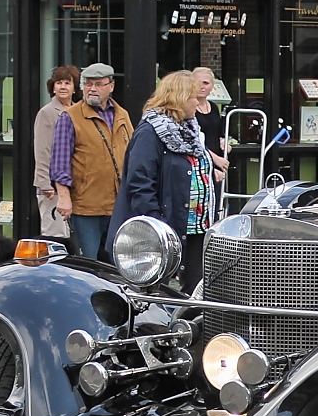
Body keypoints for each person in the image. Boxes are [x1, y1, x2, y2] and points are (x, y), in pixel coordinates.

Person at [106, 71, 214, 294]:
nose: (198, 103)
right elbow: (140, 183)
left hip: (195, 227)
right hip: (160, 232)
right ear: (179, 98)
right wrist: (157, 225)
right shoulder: (151, 131)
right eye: (194, 97)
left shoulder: (191, 129)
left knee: (196, 292)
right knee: (157, 293)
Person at [51, 62, 133, 260]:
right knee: (88, 261)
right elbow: (60, 163)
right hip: (86, 206)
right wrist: (64, 198)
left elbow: (133, 155)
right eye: (88, 84)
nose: (92, 89)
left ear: (111, 86)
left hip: (119, 205)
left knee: (120, 260)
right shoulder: (70, 117)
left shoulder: (122, 115)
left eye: (98, 84)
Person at [32, 65, 78, 246]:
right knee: (55, 237)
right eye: (59, 83)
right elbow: (42, 150)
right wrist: (45, 183)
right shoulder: (47, 112)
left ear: (75, 88)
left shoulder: (78, 111)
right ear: (52, 87)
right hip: (52, 187)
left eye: (67, 83)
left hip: (74, 185)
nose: (63, 87)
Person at [191, 67, 230, 190]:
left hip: (217, 163)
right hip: (200, 163)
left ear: (212, 86)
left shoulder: (214, 107)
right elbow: (193, 140)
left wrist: (224, 142)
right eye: (197, 82)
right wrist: (215, 160)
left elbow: (218, 133)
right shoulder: (189, 109)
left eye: (206, 83)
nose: (201, 87)